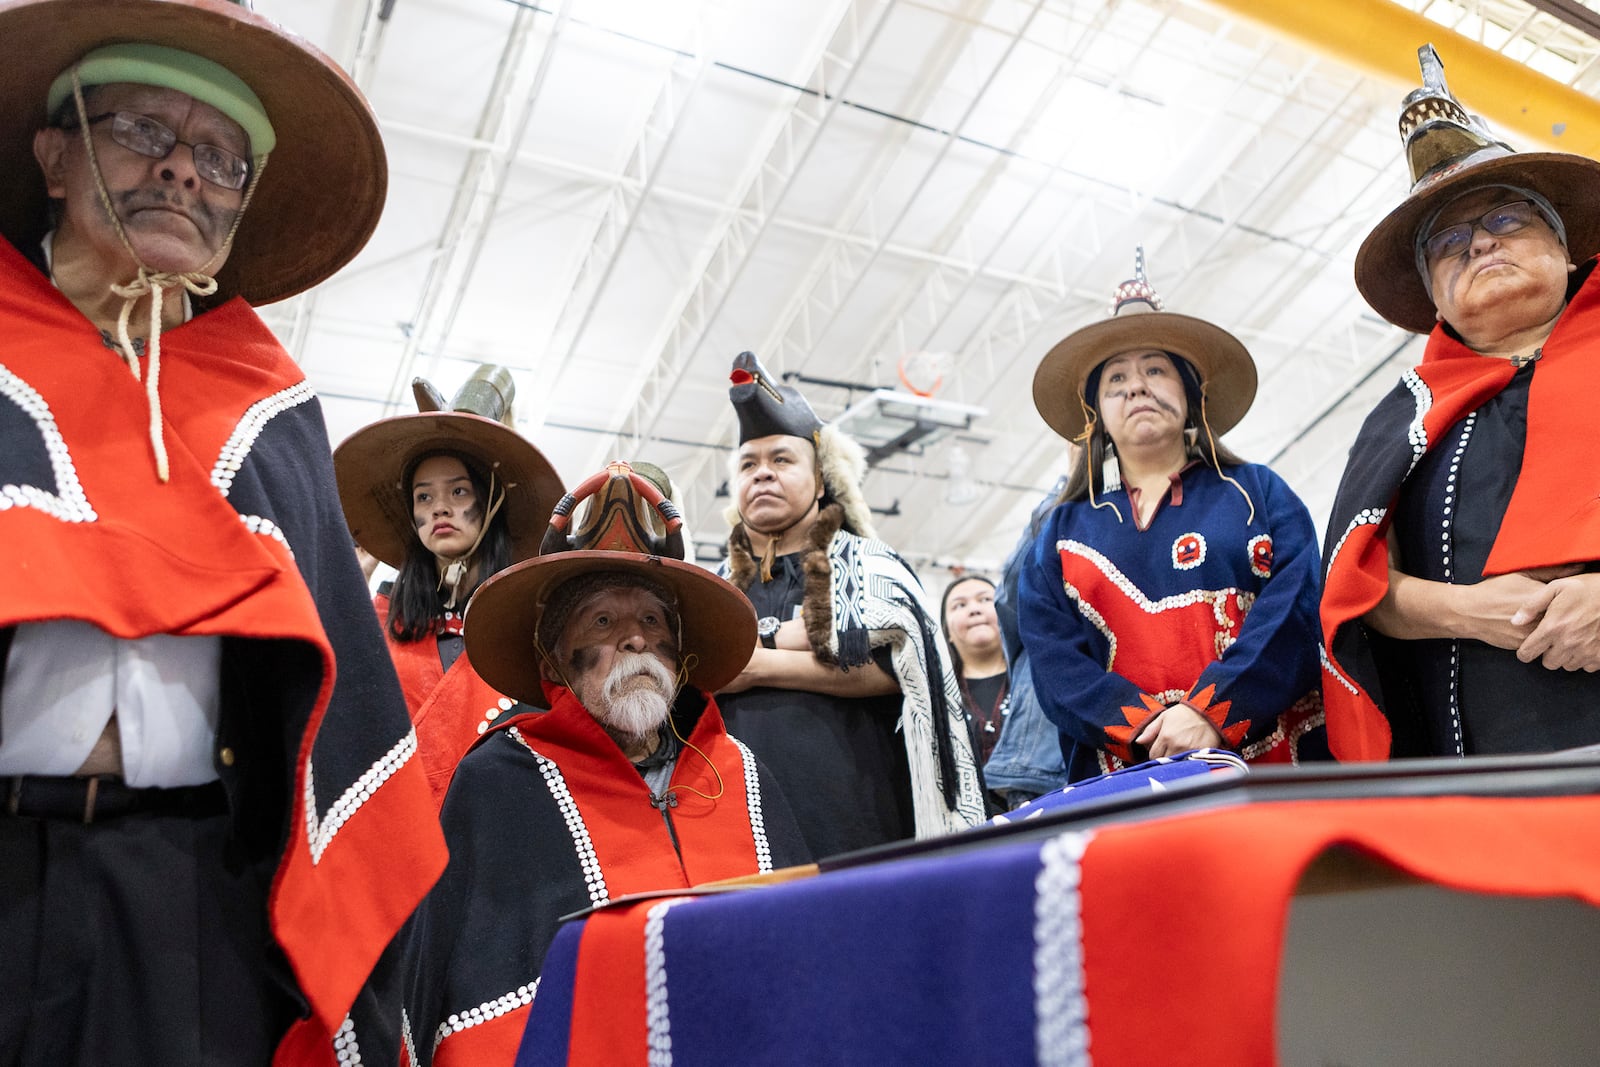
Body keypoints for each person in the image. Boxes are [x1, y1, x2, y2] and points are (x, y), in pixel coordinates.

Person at [0, 3, 446, 1064]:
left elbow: (331, 703)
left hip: (190, 886)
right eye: (146, 131)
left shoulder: (270, 406)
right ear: (56, 154)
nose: (187, 173)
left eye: (220, 156)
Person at [394, 461, 809, 1066]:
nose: (635, 640)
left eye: (651, 620)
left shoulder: (743, 775)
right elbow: (459, 997)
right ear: (554, 659)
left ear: (680, 653)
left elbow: (806, 958)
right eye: (604, 621)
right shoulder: (498, 782)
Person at [1323, 45, 1600, 760]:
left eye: (1506, 221)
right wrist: (1471, 611)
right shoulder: (1401, 417)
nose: (1478, 244)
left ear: (1566, 250)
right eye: (1449, 243)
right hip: (1488, 766)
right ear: (1434, 295)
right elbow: (1361, 588)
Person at [1019, 250, 1326, 782]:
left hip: (1273, 768)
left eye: (1155, 369)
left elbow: (1297, 606)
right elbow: (1054, 664)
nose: (1135, 386)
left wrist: (1213, 710)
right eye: (1115, 379)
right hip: (1125, 777)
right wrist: (1150, 727)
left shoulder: (1259, 492)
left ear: (1191, 393)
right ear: (1095, 414)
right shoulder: (1060, 534)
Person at [717, 352, 985, 858]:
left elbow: (902, 667)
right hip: (738, 838)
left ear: (820, 483)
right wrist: (797, 647)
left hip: (861, 829)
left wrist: (760, 662)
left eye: (782, 459)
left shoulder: (870, 565)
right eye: (748, 464)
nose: (763, 474)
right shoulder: (713, 590)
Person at [335, 364, 563, 804]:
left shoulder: (532, 632)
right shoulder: (375, 624)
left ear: (491, 501)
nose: (440, 507)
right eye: (424, 496)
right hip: (397, 833)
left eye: (458, 492)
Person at [980, 478, 1073, 808]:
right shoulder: (1060, 510)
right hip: (1041, 766)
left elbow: (1009, 600)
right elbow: (1011, 601)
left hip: (1043, 762)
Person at [939, 576, 1009, 767]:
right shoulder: (934, 694)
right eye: (959, 605)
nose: (974, 609)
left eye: (985, 599)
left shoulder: (1033, 681)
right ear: (948, 633)